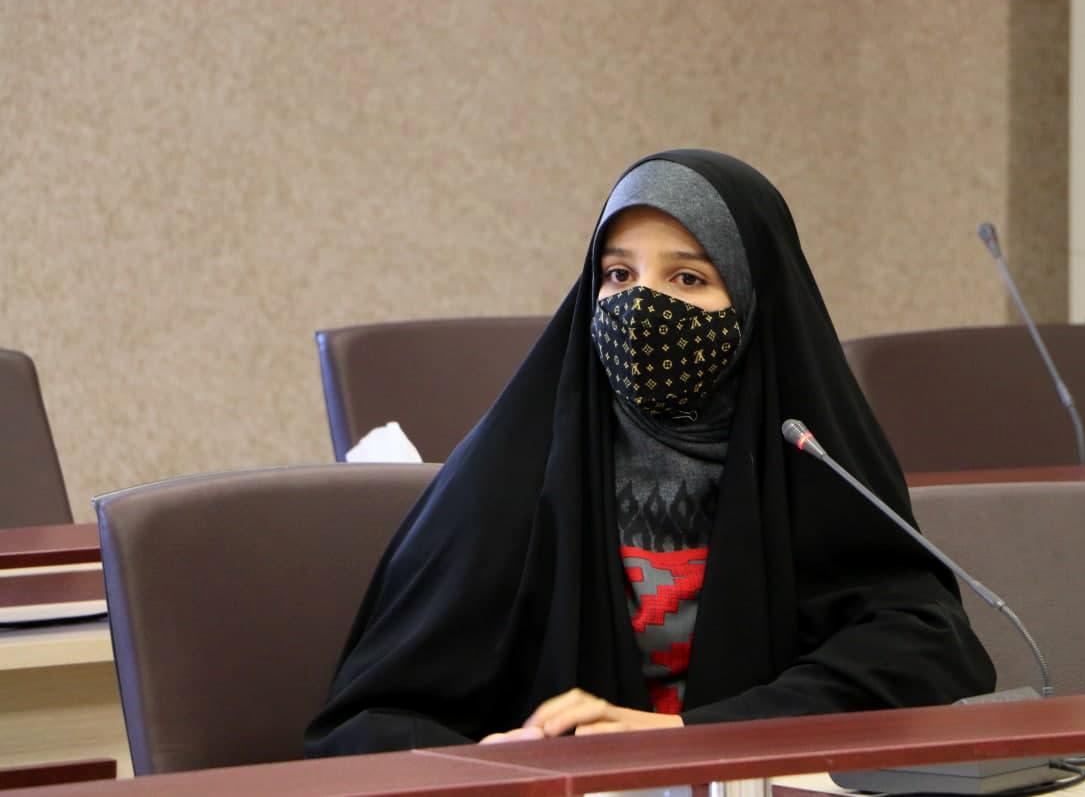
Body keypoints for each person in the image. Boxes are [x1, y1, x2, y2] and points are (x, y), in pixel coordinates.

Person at [304, 149, 994, 754]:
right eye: (618, 275)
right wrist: (499, 761)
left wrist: (698, 734)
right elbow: (364, 724)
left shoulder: (807, 456)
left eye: (688, 278)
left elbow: (930, 652)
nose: (641, 307)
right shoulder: (510, 476)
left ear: (756, 301)